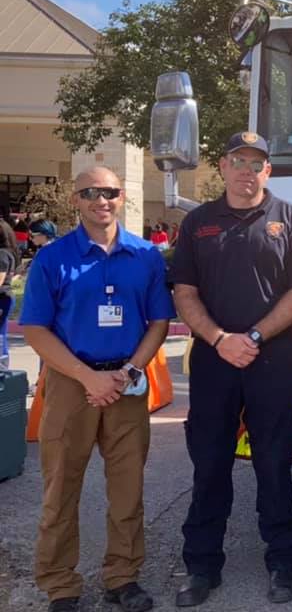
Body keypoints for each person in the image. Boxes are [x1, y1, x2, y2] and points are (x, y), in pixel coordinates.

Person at [169, 131, 292, 607]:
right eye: (238, 161)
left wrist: (253, 336)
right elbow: (184, 292)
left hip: (270, 359)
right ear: (222, 166)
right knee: (210, 465)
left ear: (267, 171)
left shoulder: (288, 217)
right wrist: (220, 339)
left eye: (256, 164)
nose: (247, 171)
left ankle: (281, 564)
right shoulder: (198, 222)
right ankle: (202, 567)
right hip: (214, 360)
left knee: (274, 467)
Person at [20, 166, 175, 612]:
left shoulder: (145, 256)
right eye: (90, 192)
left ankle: (122, 577)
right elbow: (35, 329)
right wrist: (88, 378)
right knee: (60, 489)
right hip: (72, 385)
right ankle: (60, 584)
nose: (100, 200)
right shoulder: (54, 258)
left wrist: (129, 371)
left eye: (108, 192)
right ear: (76, 200)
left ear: (121, 197)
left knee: (128, 490)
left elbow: (159, 322)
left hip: (126, 384)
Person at [0, 219, 21, 364]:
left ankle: (2, 367)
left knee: (0, 336)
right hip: (6, 297)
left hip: (2, 298)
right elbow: (15, 275)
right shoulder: (9, 253)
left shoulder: (2, 254)